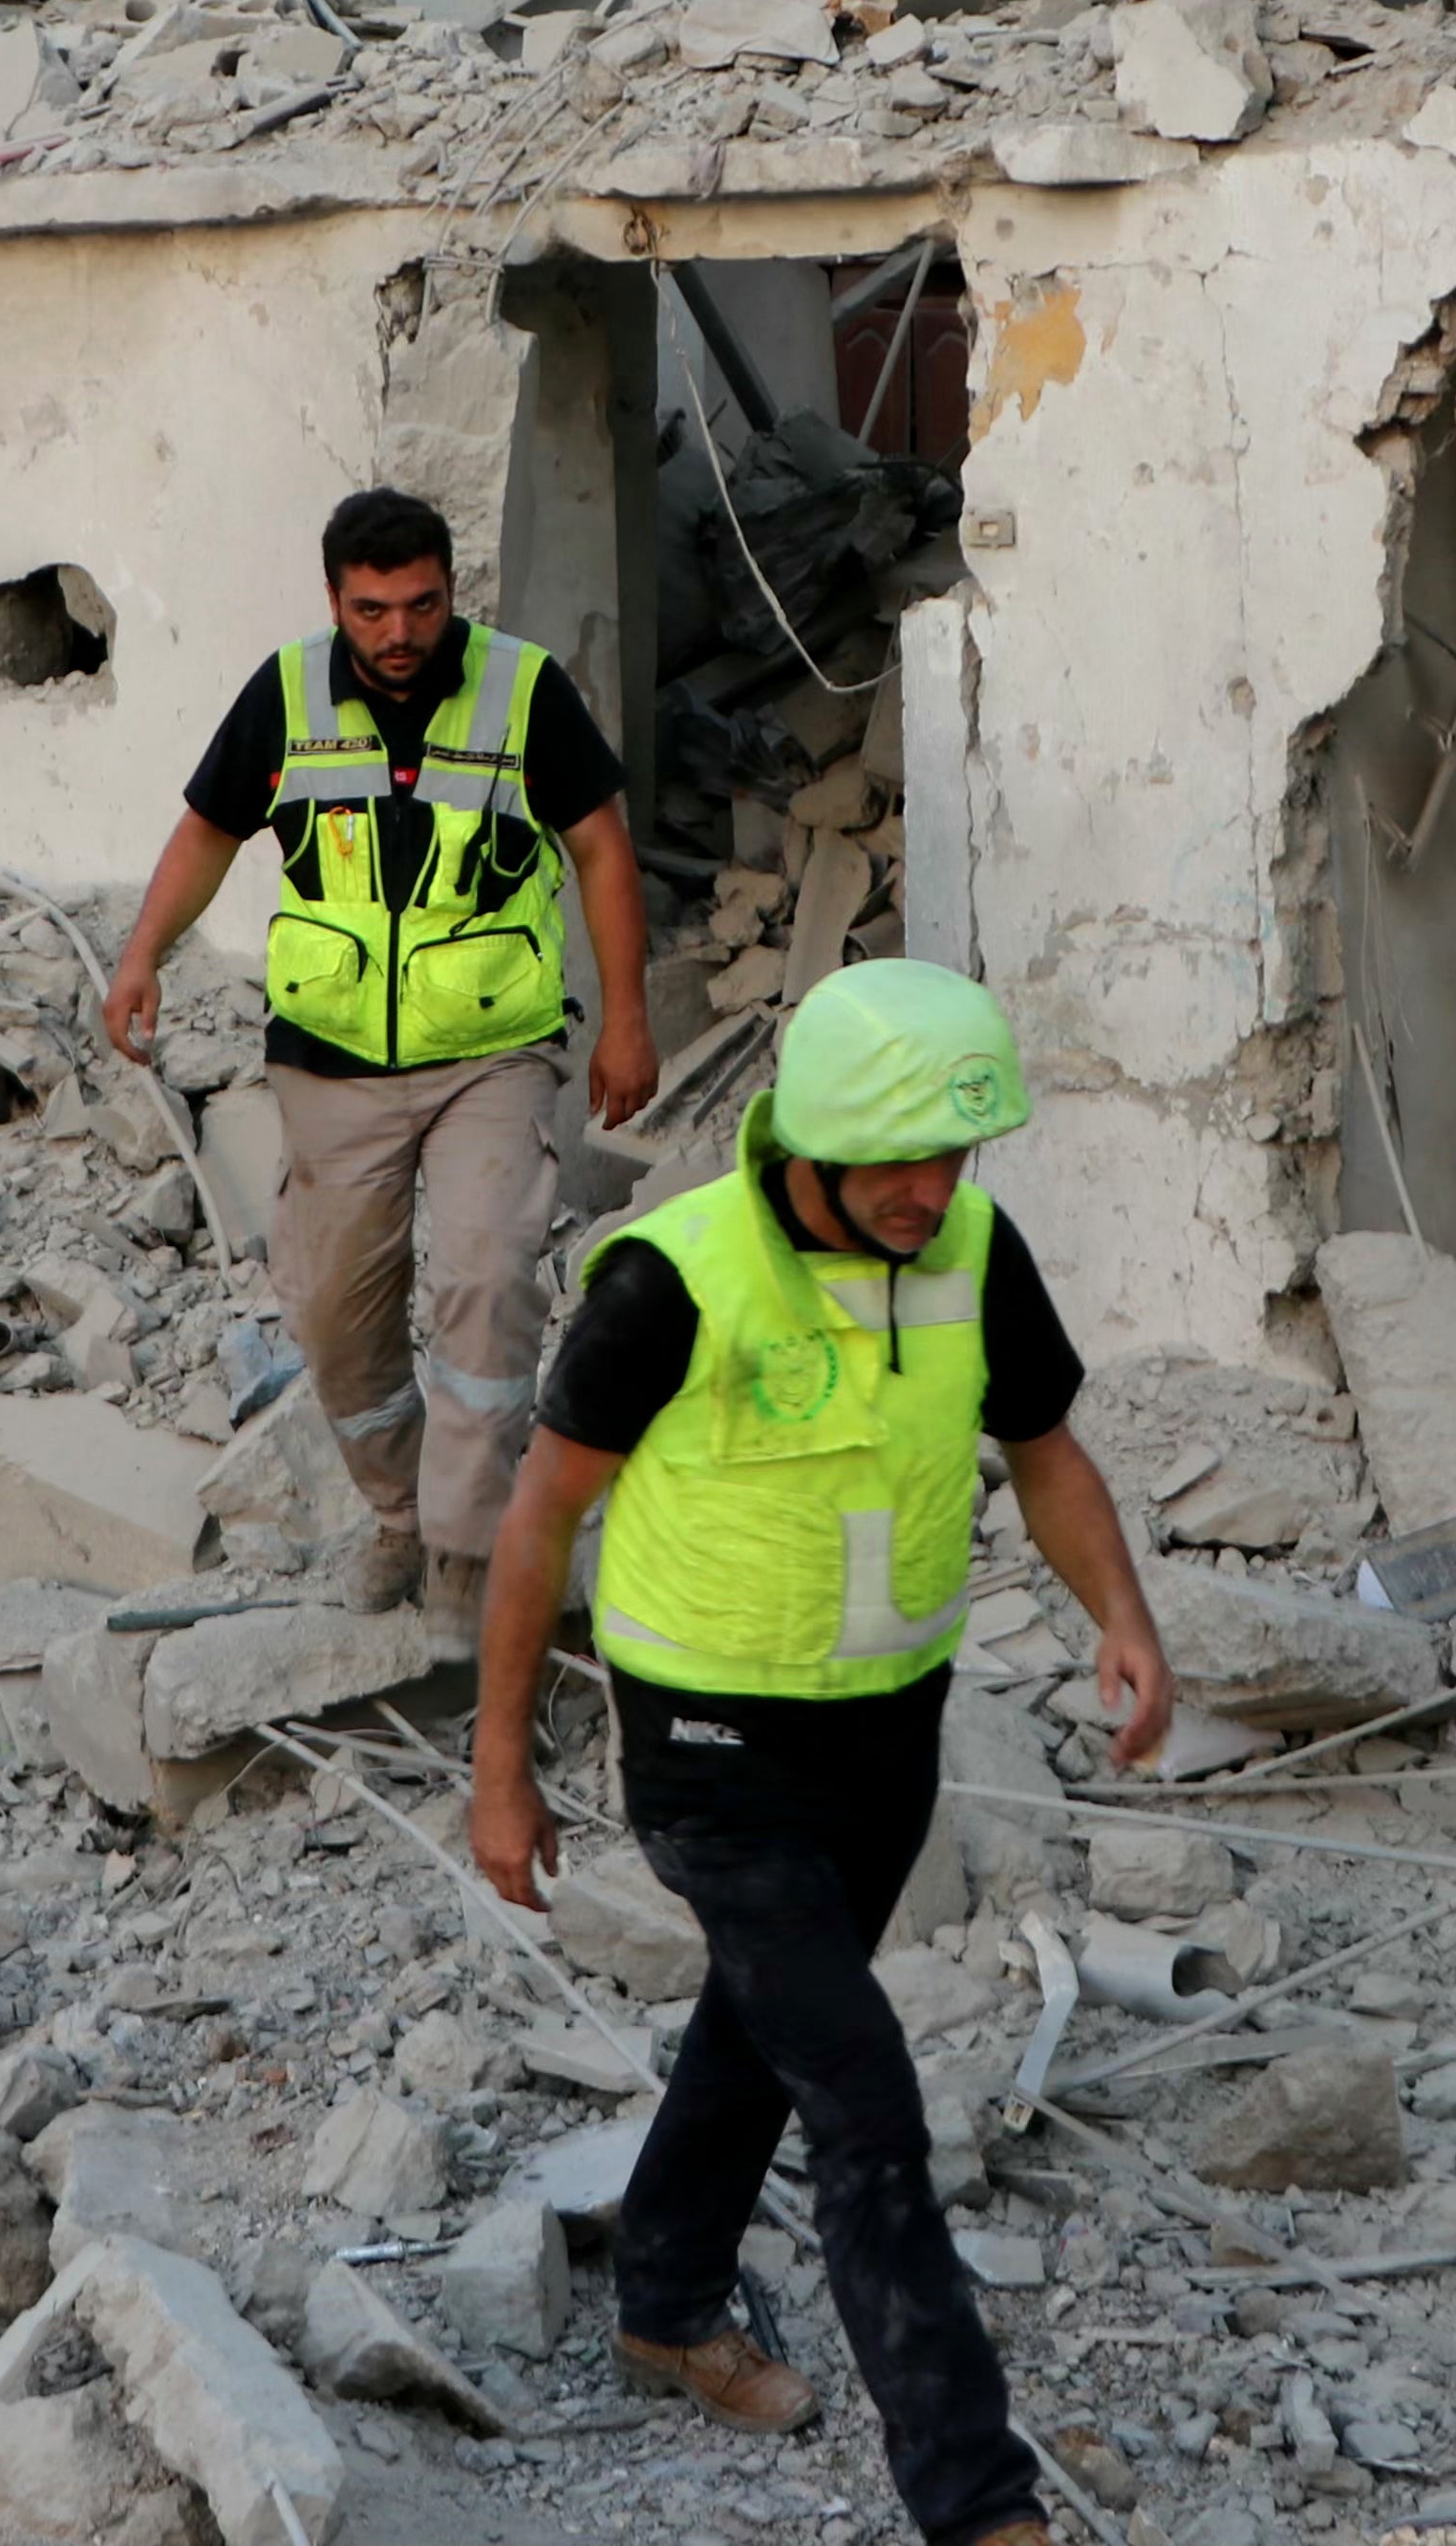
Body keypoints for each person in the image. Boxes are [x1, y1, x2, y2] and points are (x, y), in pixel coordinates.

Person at [465, 961, 1173, 2546]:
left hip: (886, 1734)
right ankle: (979, 2504)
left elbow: (1045, 1452)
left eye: (958, 1156)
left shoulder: (975, 1251)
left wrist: (1119, 1613)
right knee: (860, 2094)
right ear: (820, 1142)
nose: (935, 1190)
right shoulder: (676, 1280)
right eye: (904, 1159)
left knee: (764, 2023)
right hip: (709, 1747)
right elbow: (539, 1521)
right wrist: (498, 1767)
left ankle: (663, 2300)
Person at [103, 485, 657, 1620]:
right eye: (371, 611)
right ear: (333, 601)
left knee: (487, 1281)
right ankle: (403, 1518)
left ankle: (469, 1545)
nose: (398, 633)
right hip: (332, 1061)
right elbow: (210, 827)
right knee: (338, 1322)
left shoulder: (522, 689)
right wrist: (141, 953)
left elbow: (600, 844)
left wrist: (629, 1017)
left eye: (420, 604)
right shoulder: (289, 692)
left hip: (492, 1056)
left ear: (453, 590)